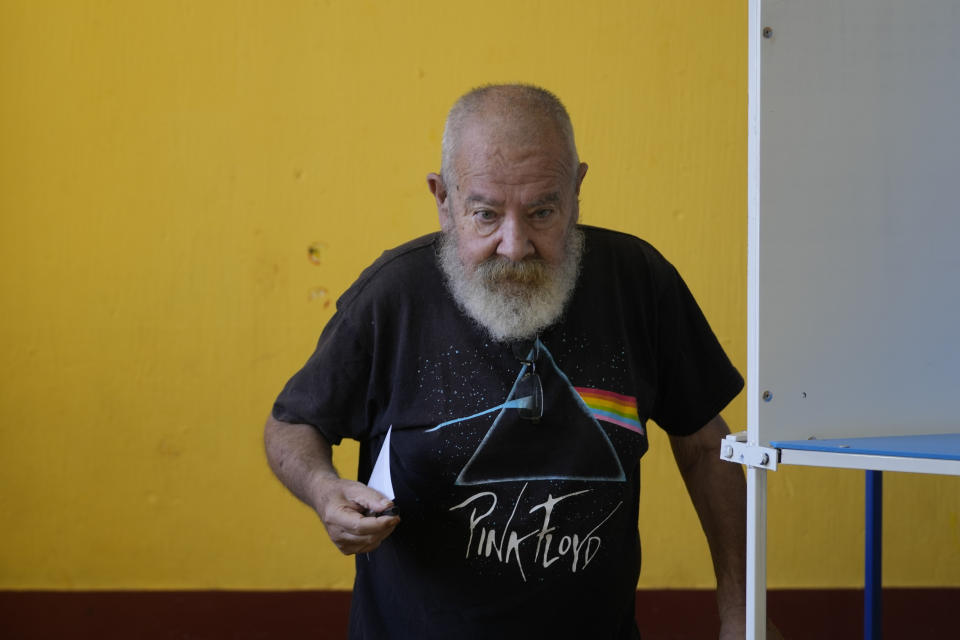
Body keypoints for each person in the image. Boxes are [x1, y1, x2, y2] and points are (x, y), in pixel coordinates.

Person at [265, 84, 752, 639]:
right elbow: (291, 425)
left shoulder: (636, 283)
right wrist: (325, 490)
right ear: (443, 199)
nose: (515, 245)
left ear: (577, 190)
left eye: (543, 211)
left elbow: (707, 445)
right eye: (486, 214)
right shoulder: (393, 298)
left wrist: (740, 613)